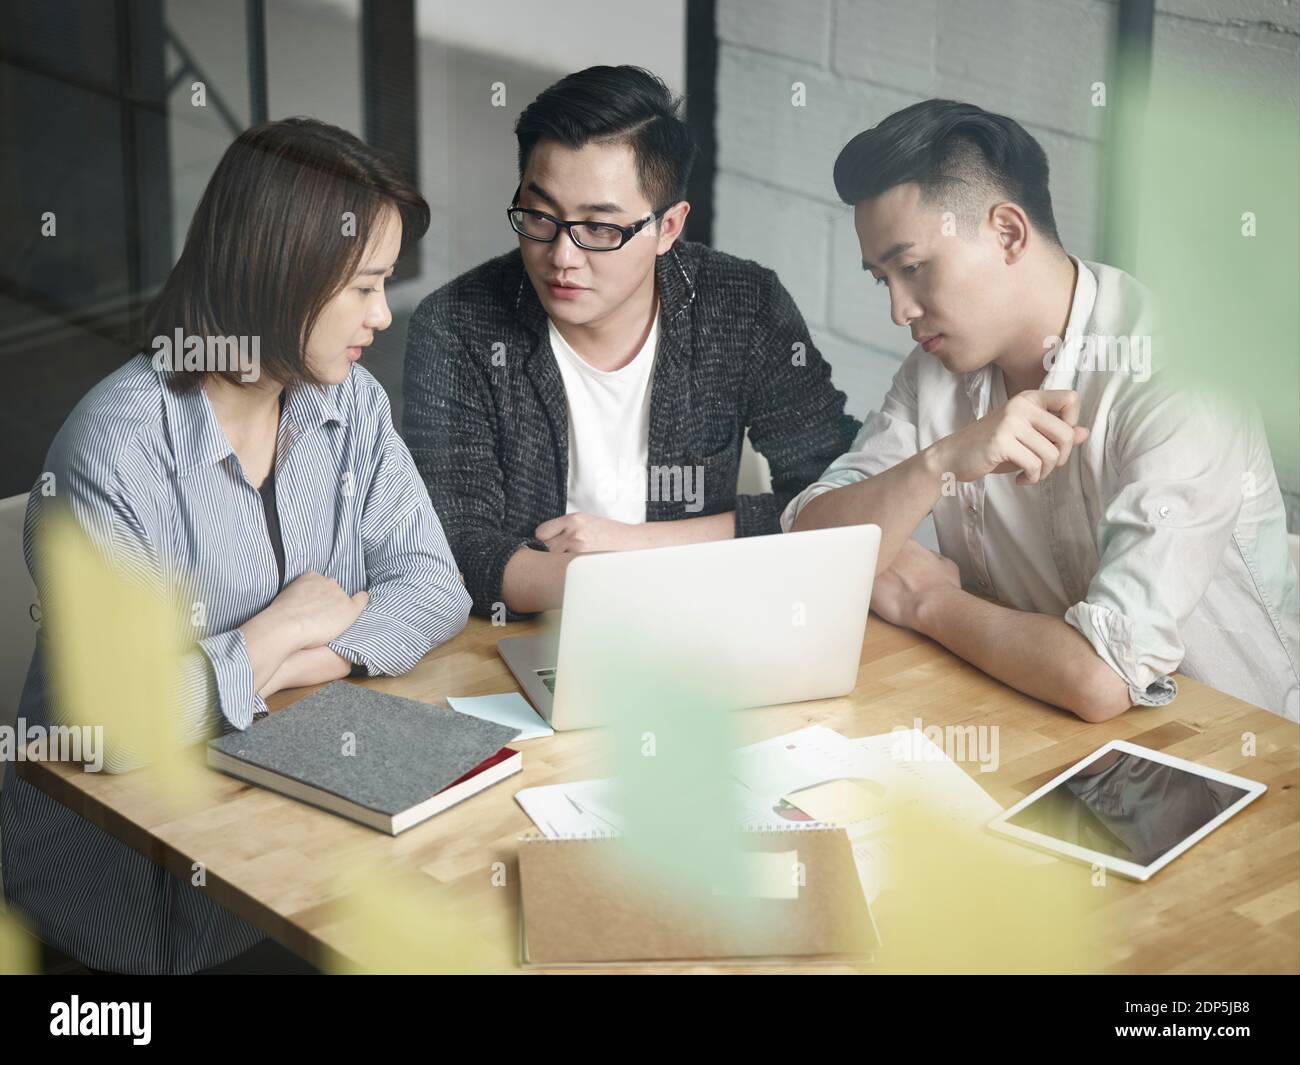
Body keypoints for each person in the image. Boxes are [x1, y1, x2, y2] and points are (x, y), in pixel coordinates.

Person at [1, 118, 472, 974]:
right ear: (278, 273)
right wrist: (279, 627)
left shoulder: (351, 404)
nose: (381, 313)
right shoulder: (120, 447)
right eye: (363, 287)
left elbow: (436, 587)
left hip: (298, 827)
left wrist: (277, 663)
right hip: (134, 894)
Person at [786, 99, 1299, 723]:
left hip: (1231, 752)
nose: (900, 310)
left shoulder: (1176, 380)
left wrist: (928, 601)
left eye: (913, 268)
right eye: (883, 280)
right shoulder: (934, 371)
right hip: (1026, 714)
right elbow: (814, 552)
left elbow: (1101, 679)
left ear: (1008, 232)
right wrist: (938, 462)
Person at [404, 66, 861, 617]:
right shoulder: (459, 325)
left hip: (704, 616)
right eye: (540, 216)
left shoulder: (742, 305)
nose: (561, 257)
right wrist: (633, 577)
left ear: (668, 228)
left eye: (600, 228)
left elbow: (833, 494)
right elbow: (458, 547)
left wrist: (634, 547)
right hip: (518, 636)